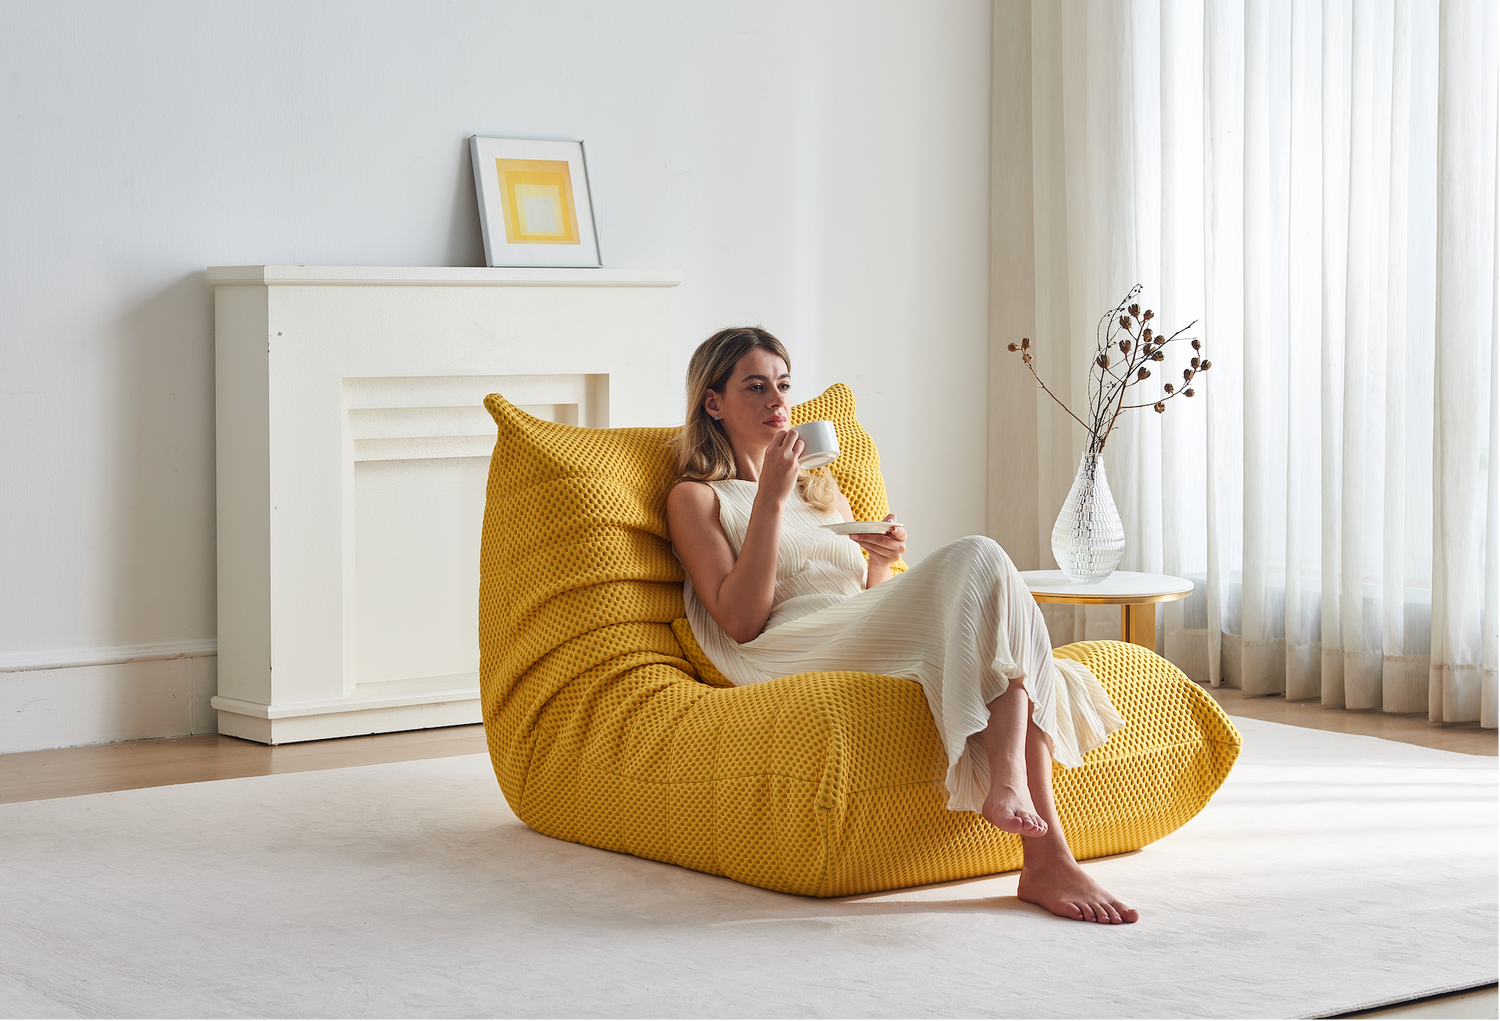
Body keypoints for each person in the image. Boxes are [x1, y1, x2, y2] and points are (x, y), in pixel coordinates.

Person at [666, 326, 1139, 924]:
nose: (777, 403)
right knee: (981, 554)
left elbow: (866, 602)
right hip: (783, 648)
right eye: (755, 387)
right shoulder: (696, 497)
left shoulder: (819, 487)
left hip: (852, 628)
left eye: (783, 386)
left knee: (991, 586)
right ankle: (1036, 834)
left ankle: (1032, 826)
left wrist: (883, 562)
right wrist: (769, 503)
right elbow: (740, 621)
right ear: (714, 402)